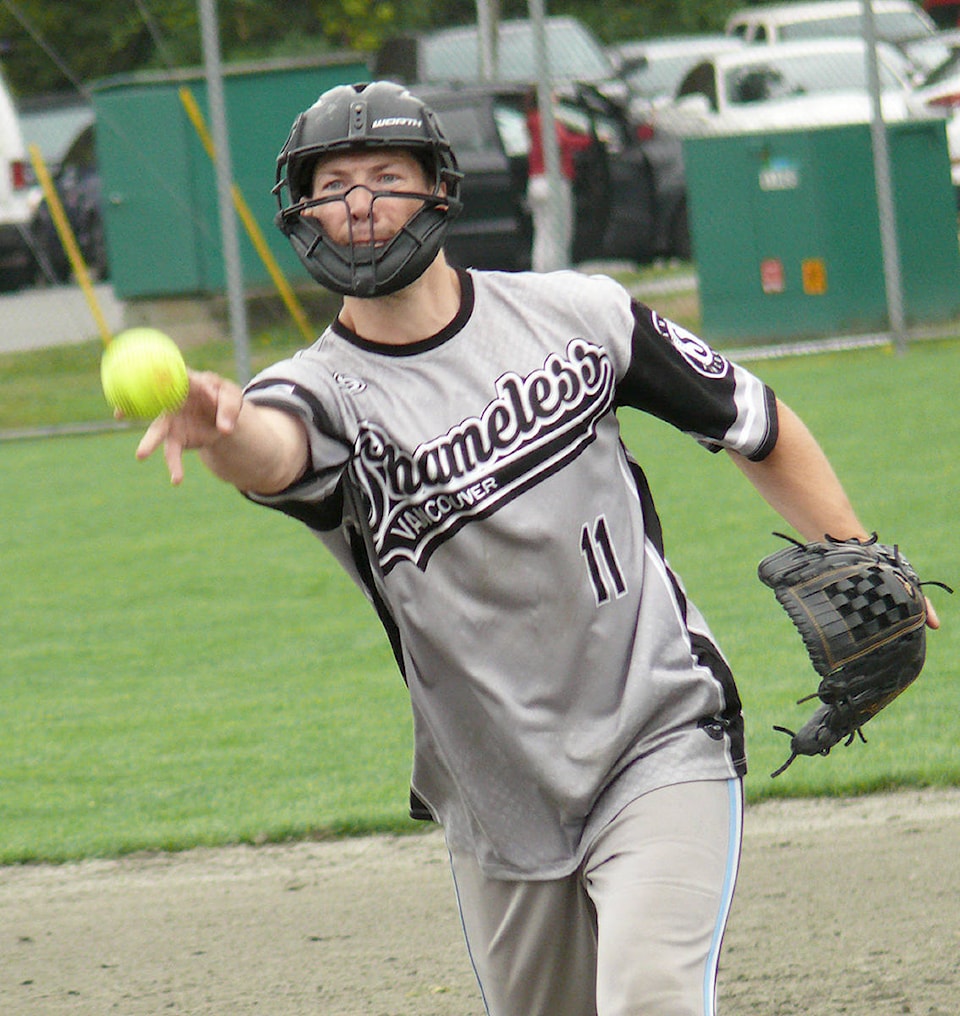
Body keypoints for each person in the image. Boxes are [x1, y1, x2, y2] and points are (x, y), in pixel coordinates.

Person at [136, 81, 939, 1016]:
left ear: (439, 190)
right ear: (299, 212)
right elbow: (272, 447)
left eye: (384, 177)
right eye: (331, 185)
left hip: (659, 728)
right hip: (495, 792)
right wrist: (221, 426)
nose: (357, 205)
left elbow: (755, 421)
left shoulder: (576, 316)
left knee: (649, 998)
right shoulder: (319, 392)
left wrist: (853, 548)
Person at [524, 88, 595, 272]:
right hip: (553, 182)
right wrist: (587, 140)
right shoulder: (546, 121)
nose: (556, 97)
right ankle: (557, 273)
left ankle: (540, 273)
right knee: (560, 231)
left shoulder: (531, 119)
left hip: (536, 181)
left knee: (542, 233)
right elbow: (560, 141)